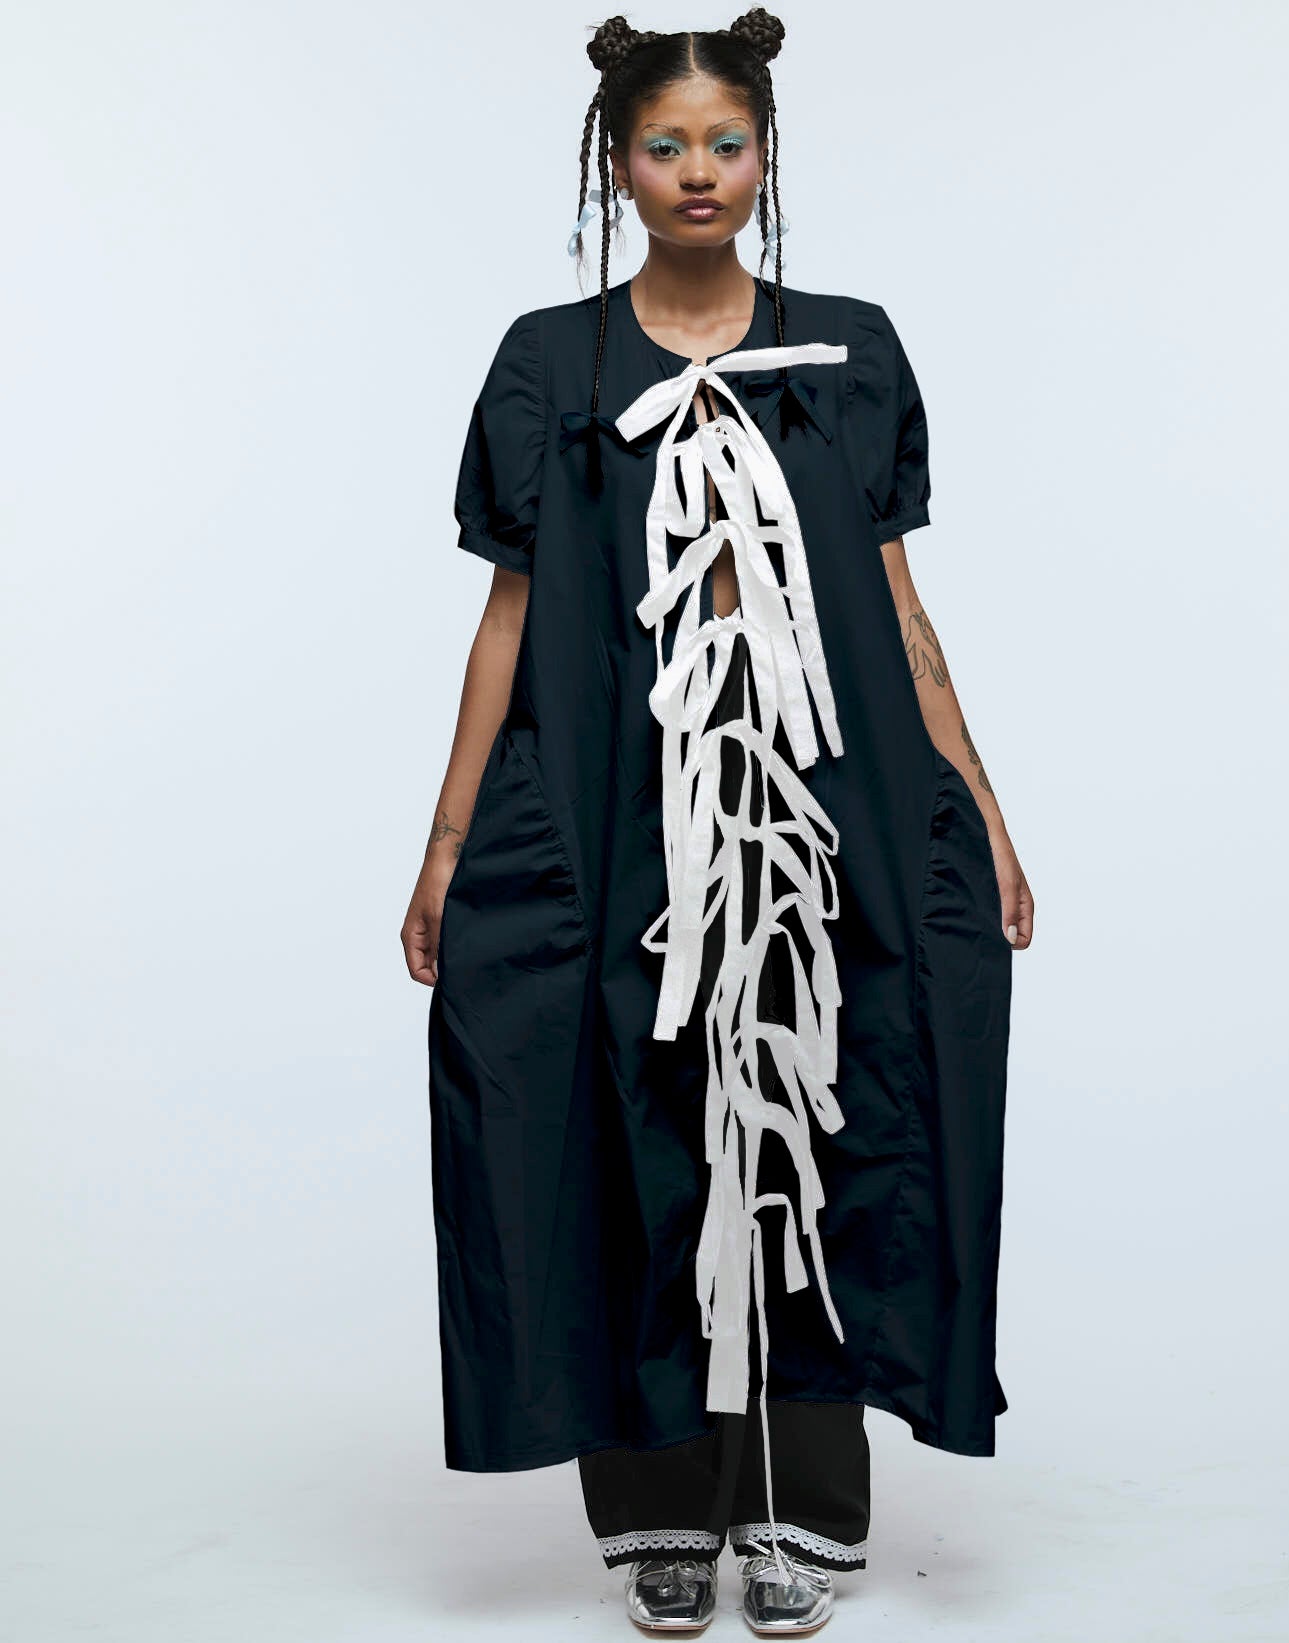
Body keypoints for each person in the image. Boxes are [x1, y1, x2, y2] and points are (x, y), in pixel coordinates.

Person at [400, 9, 1035, 1635]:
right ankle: (657, 1507)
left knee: (829, 1117)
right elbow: (508, 613)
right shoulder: (550, 361)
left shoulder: (851, 348)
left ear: (764, 157)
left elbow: (896, 603)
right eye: (665, 145)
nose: (698, 171)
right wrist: (449, 840)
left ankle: (805, 1503)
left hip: (825, 806)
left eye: (725, 143)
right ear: (616, 165)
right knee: (623, 1122)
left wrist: (978, 801)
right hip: (613, 808)